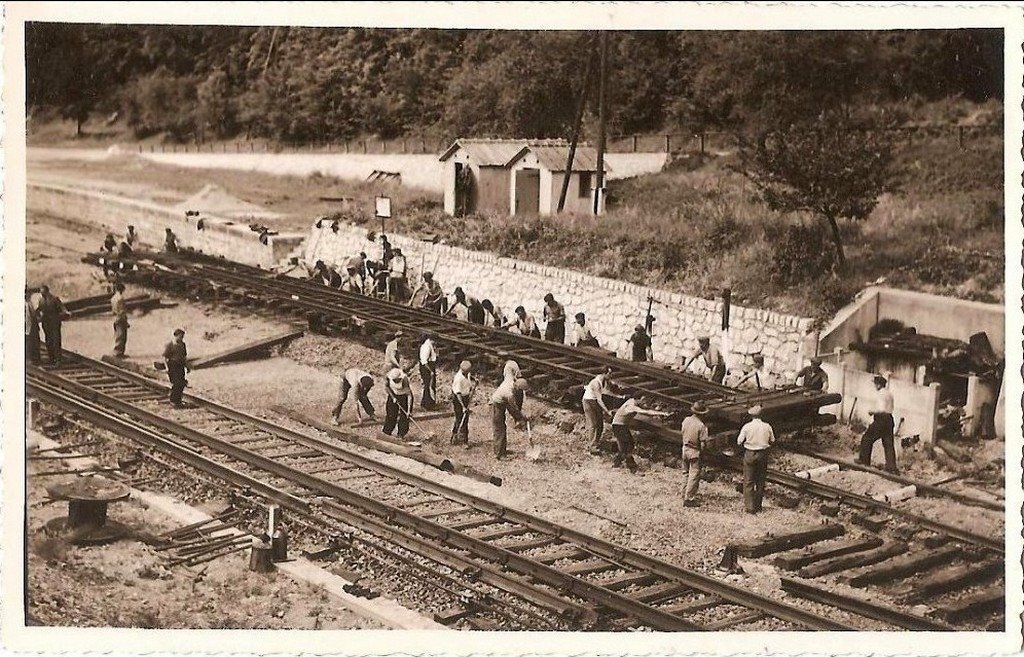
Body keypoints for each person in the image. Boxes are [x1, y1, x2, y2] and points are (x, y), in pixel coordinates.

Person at [610, 393, 671, 472]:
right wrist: (662, 413)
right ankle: (631, 466)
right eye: (643, 400)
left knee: (625, 446)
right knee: (629, 445)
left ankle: (617, 463)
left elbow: (645, 407)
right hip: (619, 426)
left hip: (620, 425)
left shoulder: (631, 401)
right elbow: (645, 412)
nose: (644, 402)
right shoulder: (631, 406)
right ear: (637, 399)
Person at [737, 405, 775, 514]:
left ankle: (750, 507)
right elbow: (772, 440)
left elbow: (739, 441)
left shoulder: (747, 426)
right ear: (761, 415)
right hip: (762, 454)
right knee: (760, 481)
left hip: (749, 453)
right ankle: (758, 506)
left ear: (751, 416)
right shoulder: (767, 426)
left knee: (748, 481)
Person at [857, 374, 898, 473]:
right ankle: (891, 467)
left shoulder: (881, 394)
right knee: (888, 444)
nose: (875, 386)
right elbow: (890, 408)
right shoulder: (889, 394)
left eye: (875, 384)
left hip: (881, 420)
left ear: (879, 385)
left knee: (867, 438)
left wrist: (872, 412)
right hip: (889, 420)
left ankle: (864, 461)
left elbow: (882, 409)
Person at [679, 401, 710, 506]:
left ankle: (683, 493)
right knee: (694, 474)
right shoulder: (701, 426)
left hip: (685, 448)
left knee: (685, 473)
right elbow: (703, 444)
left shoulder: (686, 420)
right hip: (694, 451)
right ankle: (689, 499)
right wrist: (704, 454)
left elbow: (682, 432)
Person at [491, 377, 529, 459]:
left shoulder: (511, 382)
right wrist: (521, 417)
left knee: (502, 427)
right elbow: (513, 408)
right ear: (517, 388)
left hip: (501, 401)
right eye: (520, 390)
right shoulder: (509, 394)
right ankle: (499, 454)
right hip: (497, 404)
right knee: (499, 428)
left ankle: (501, 450)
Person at [582, 367, 614, 454]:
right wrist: (607, 411)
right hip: (588, 402)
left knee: (600, 424)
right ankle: (591, 446)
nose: (611, 375)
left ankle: (596, 442)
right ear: (604, 374)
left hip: (594, 401)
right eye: (609, 374)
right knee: (593, 424)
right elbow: (599, 400)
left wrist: (618, 396)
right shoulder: (596, 383)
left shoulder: (604, 381)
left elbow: (606, 391)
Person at [36, 285, 69, 366]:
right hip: (46, 323)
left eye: (43, 292)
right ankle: (51, 359)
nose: (41, 293)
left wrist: (66, 312)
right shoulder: (41, 300)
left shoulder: (54, 299)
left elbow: (62, 307)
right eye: (41, 292)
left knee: (56, 341)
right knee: (48, 341)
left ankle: (58, 360)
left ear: (47, 291)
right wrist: (37, 316)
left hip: (54, 322)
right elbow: (39, 309)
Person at [383, 367, 413, 440]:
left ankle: (401, 435)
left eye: (397, 380)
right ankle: (386, 433)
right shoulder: (388, 377)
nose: (396, 381)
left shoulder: (404, 379)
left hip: (403, 396)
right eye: (394, 380)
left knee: (404, 416)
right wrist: (393, 397)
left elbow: (409, 395)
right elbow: (386, 387)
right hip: (393, 395)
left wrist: (409, 411)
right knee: (391, 415)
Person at [451, 360, 476, 447]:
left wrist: (474, 380)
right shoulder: (458, 379)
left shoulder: (467, 373)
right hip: (459, 400)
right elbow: (458, 394)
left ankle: (454, 435)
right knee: (462, 419)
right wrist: (463, 407)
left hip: (466, 397)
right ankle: (463, 441)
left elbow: (469, 376)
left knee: (461, 418)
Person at [163, 328, 190, 407]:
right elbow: (165, 357)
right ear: (176, 336)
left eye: (182, 337)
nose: (181, 338)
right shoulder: (170, 345)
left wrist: (187, 367)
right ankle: (173, 401)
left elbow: (184, 357)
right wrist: (167, 368)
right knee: (176, 383)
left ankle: (178, 400)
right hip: (173, 366)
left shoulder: (182, 345)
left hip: (180, 366)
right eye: (180, 336)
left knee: (182, 383)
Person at [418, 332, 438, 408]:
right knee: (428, 385)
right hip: (426, 368)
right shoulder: (427, 347)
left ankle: (426, 402)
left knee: (430, 385)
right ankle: (428, 404)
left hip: (429, 366)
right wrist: (431, 371)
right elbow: (424, 362)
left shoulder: (431, 345)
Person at [111, 281, 130, 358]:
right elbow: (122, 311)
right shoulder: (120, 298)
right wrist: (126, 321)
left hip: (115, 317)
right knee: (122, 336)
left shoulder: (113, 298)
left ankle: (117, 351)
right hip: (120, 318)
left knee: (118, 335)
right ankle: (118, 352)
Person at [25, 288, 40, 365]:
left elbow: (33, 314)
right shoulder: (25, 304)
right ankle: (28, 359)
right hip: (27, 326)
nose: (29, 296)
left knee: (34, 341)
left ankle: (36, 358)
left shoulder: (30, 303)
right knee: (28, 342)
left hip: (33, 326)